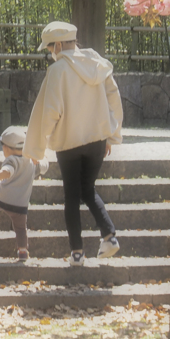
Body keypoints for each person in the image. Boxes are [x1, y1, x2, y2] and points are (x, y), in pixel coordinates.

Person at [23, 20, 123, 267]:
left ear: (57, 45)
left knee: (71, 196)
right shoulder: (97, 63)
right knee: (88, 189)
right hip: (98, 140)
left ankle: (77, 253)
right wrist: (111, 133)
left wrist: (37, 147)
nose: (50, 53)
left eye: (49, 48)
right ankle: (109, 236)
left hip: (69, 143)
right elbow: (114, 97)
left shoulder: (58, 71)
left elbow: (50, 112)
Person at [0, 125, 49, 262]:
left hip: (3, 198)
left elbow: (7, 171)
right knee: (21, 229)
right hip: (21, 205)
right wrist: (41, 158)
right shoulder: (32, 162)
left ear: (6, 148)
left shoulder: (11, 160)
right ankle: (23, 252)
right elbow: (44, 166)